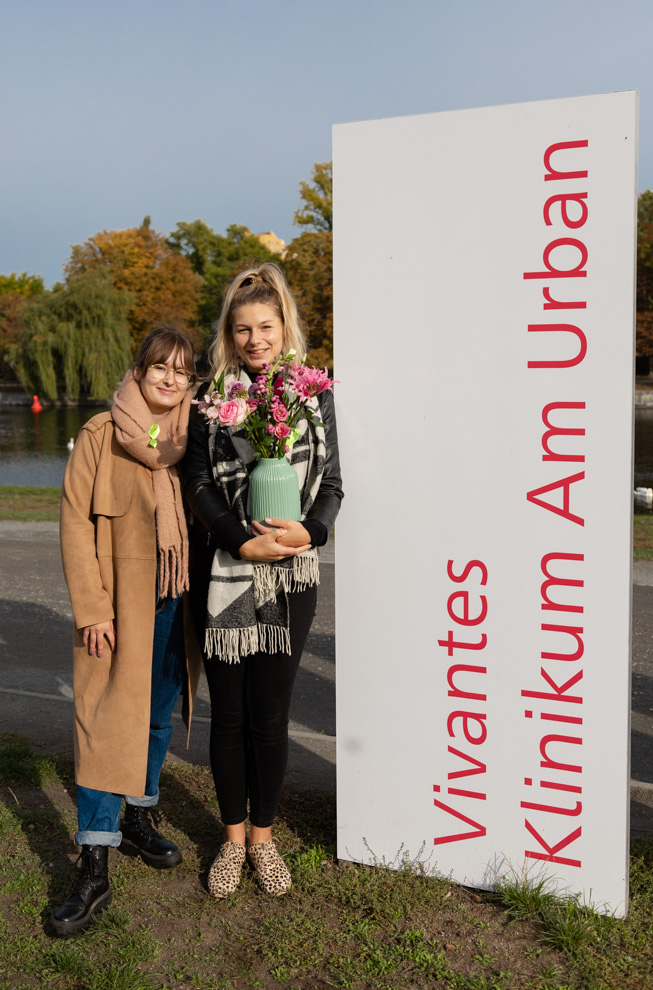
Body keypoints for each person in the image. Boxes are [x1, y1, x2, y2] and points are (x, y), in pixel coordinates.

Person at [183, 263, 343, 898]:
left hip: (292, 574)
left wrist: (313, 532)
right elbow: (197, 481)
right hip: (223, 570)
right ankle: (230, 840)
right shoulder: (212, 397)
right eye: (243, 329)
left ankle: (264, 840)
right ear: (230, 332)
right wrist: (238, 537)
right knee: (228, 714)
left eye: (266, 327)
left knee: (270, 713)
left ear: (284, 328)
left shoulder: (312, 393)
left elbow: (331, 485)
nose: (255, 340)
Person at [53, 327, 202, 937]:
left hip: (178, 601)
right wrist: (92, 609)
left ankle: (139, 817)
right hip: (118, 606)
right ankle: (94, 866)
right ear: (138, 371)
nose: (169, 379)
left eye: (182, 371)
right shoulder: (99, 433)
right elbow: (73, 524)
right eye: (158, 367)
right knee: (105, 723)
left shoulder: (196, 437)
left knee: (157, 718)